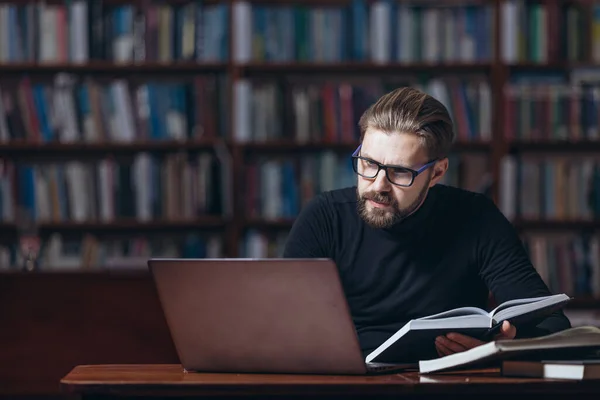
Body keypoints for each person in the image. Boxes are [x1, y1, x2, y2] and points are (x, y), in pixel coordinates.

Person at [283, 86, 571, 361]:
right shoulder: (324, 217)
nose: (378, 185)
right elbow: (282, 325)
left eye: (399, 172)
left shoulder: (476, 218)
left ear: (437, 172)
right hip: (344, 382)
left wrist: (507, 346)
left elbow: (554, 324)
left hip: (443, 384)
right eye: (369, 164)